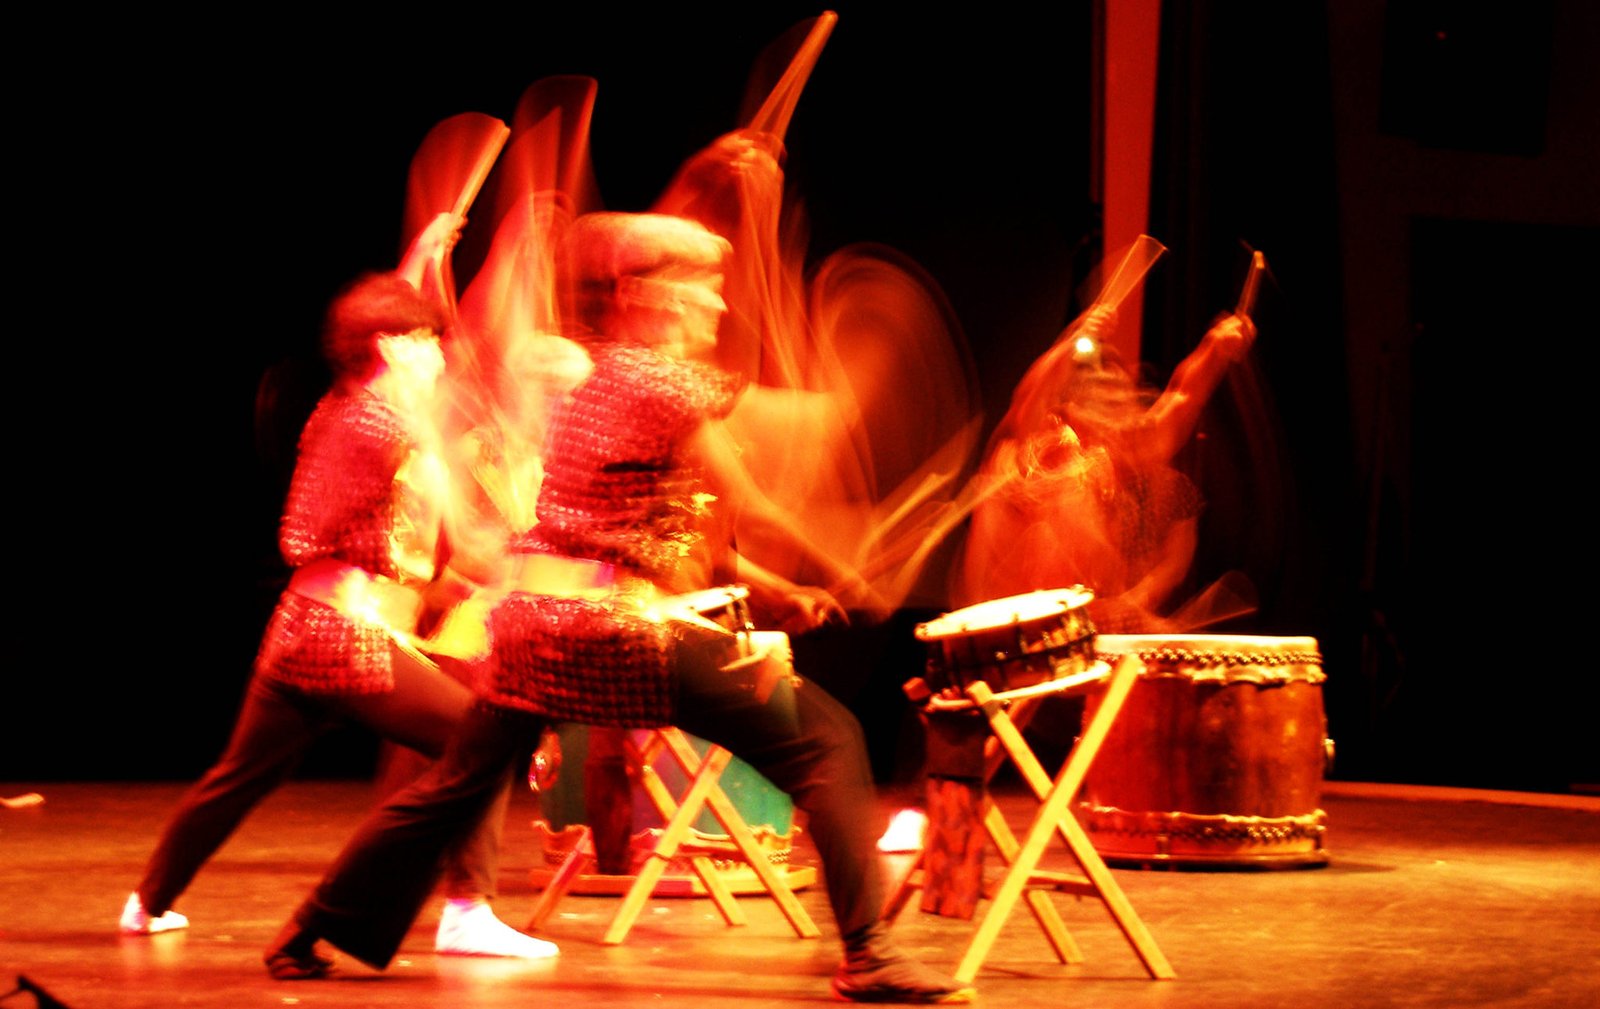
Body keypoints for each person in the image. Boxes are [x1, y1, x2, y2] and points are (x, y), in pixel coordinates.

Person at [265, 212, 974, 1004]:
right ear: (640, 294)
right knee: (829, 738)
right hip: (606, 630)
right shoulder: (660, 383)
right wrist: (852, 564)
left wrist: (784, 589)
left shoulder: (588, 379)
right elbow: (757, 506)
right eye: (700, 287)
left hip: (531, 626)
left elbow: (668, 514)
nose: (716, 306)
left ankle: (310, 926)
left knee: (455, 784)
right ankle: (870, 952)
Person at [121, 263, 551, 961]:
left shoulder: (340, 411)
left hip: (299, 627)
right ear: (391, 347)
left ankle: (148, 902)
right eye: (427, 343)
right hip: (346, 635)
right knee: (482, 737)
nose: (441, 355)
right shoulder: (386, 426)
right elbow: (429, 527)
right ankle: (467, 909)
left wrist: (421, 267)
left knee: (237, 777)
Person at [960, 302, 1257, 631]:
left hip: (1071, 631)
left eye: (1123, 397)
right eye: (1106, 398)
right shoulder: (1039, 450)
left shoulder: (1106, 452)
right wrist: (1074, 339)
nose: (1121, 413)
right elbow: (1028, 400)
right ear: (1070, 407)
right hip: (1009, 635)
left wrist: (1215, 349)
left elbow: (1181, 398)